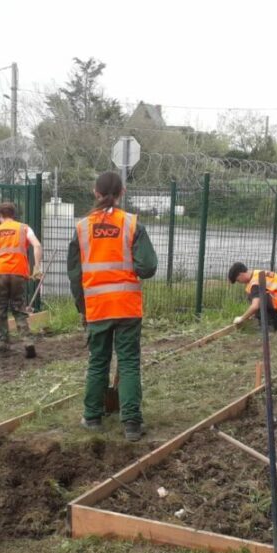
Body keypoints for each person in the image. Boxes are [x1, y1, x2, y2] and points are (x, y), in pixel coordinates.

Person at [68, 171, 158, 442]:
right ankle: (131, 424)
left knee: (98, 361)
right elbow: (148, 267)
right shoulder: (133, 225)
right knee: (129, 362)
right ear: (123, 193)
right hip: (127, 306)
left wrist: (83, 308)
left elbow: (75, 275)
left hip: (97, 308)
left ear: (95, 193)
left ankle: (92, 416)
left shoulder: (82, 228)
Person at [0, 201, 43, 355]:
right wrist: (37, 267)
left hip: (0, 272)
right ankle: (28, 341)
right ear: (13, 214)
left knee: (0, 310)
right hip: (19, 273)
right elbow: (37, 246)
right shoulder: (24, 228)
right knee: (19, 309)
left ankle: (3, 345)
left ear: (0, 215)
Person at [228, 263, 277, 327]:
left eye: (238, 280)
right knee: (256, 299)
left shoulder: (255, 283)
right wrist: (252, 315)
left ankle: (268, 326)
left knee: (257, 299)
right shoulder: (257, 273)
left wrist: (242, 318)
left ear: (241, 274)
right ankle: (275, 321)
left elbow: (255, 306)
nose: (239, 282)